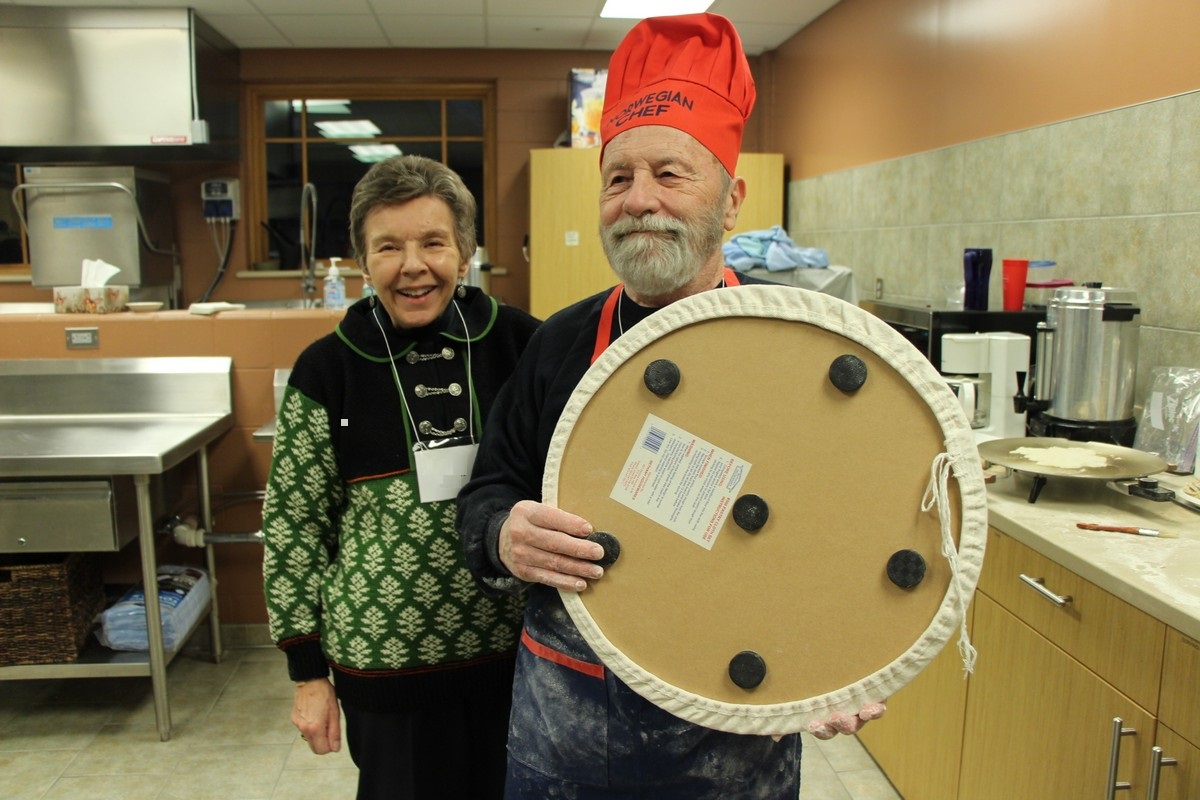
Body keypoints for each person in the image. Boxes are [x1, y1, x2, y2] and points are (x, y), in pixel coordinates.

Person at [457, 13, 885, 799]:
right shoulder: (559, 343)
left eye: (670, 174)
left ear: (731, 202)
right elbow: (487, 491)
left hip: (734, 734)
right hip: (566, 724)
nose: (638, 199)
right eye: (618, 178)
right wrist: (501, 533)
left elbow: (852, 522)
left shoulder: (795, 348)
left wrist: (849, 648)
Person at [261, 154, 540, 800]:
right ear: (363, 262)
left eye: (433, 242)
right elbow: (294, 527)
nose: (413, 265)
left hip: (516, 663)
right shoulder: (327, 370)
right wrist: (308, 674)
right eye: (389, 247)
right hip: (387, 678)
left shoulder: (523, 346)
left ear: (466, 252)